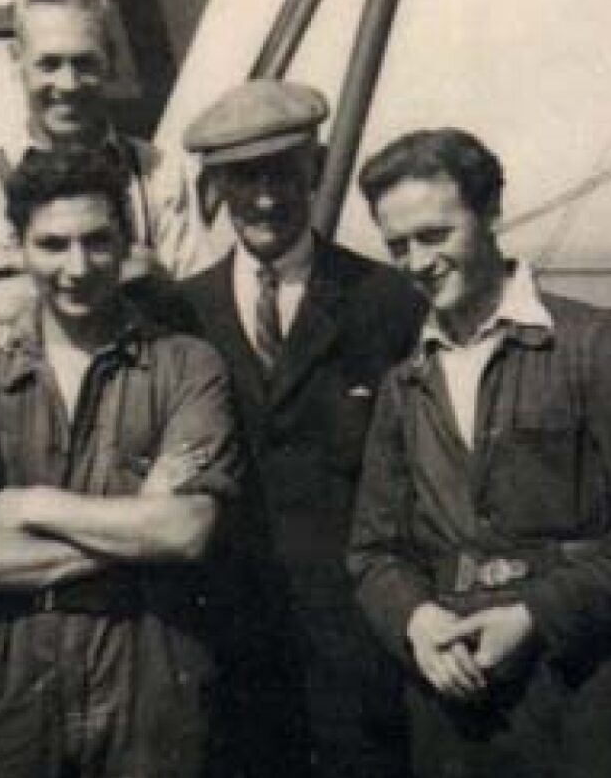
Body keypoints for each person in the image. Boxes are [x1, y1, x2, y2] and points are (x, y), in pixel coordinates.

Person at [345, 128, 611, 778]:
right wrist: (416, 621)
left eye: (436, 234)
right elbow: (373, 550)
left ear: (491, 214)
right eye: (398, 245)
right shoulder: (405, 382)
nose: (418, 261)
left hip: (585, 701)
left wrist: (534, 615)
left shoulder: (598, 345)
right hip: (454, 708)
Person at [0, 149, 242, 778]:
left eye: (97, 242)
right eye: (53, 245)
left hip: (148, 665)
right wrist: (135, 533)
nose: (77, 267)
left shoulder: (185, 365)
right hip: (6, 674)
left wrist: (29, 507)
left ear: (127, 241)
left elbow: (186, 530)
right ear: (20, 248)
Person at [174, 79, 426, 778]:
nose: (264, 197)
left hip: (361, 652)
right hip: (227, 648)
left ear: (314, 170)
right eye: (243, 177)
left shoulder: (389, 301)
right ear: (214, 186)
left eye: (283, 174)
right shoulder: (177, 313)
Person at [0, 0, 209, 327]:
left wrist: (32, 272)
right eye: (49, 64)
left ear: (110, 62)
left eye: (85, 64)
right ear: (16, 61)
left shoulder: (158, 173)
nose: (68, 84)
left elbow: (195, 300)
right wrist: (141, 270)